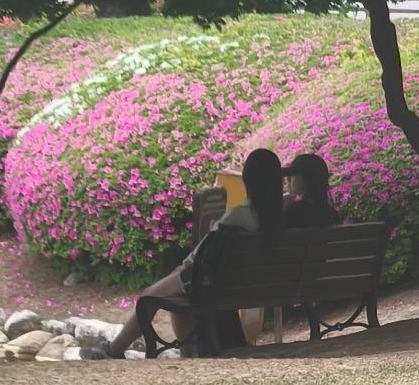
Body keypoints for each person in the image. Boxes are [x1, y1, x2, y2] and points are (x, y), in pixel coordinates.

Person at [105, 148, 286, 358]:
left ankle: (114, 349)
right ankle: (188, 355)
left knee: (149, 296)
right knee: (177, 293)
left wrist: (184, 266)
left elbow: (202, 256)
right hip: (247, 286)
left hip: (211, 283)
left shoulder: (239, 217)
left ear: (248, 181)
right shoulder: (281, 218)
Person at [283, 153, 340, 229]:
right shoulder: (331, 214)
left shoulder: (292, 212)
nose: (288, 179)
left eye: (293, 175)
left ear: (306, 179)